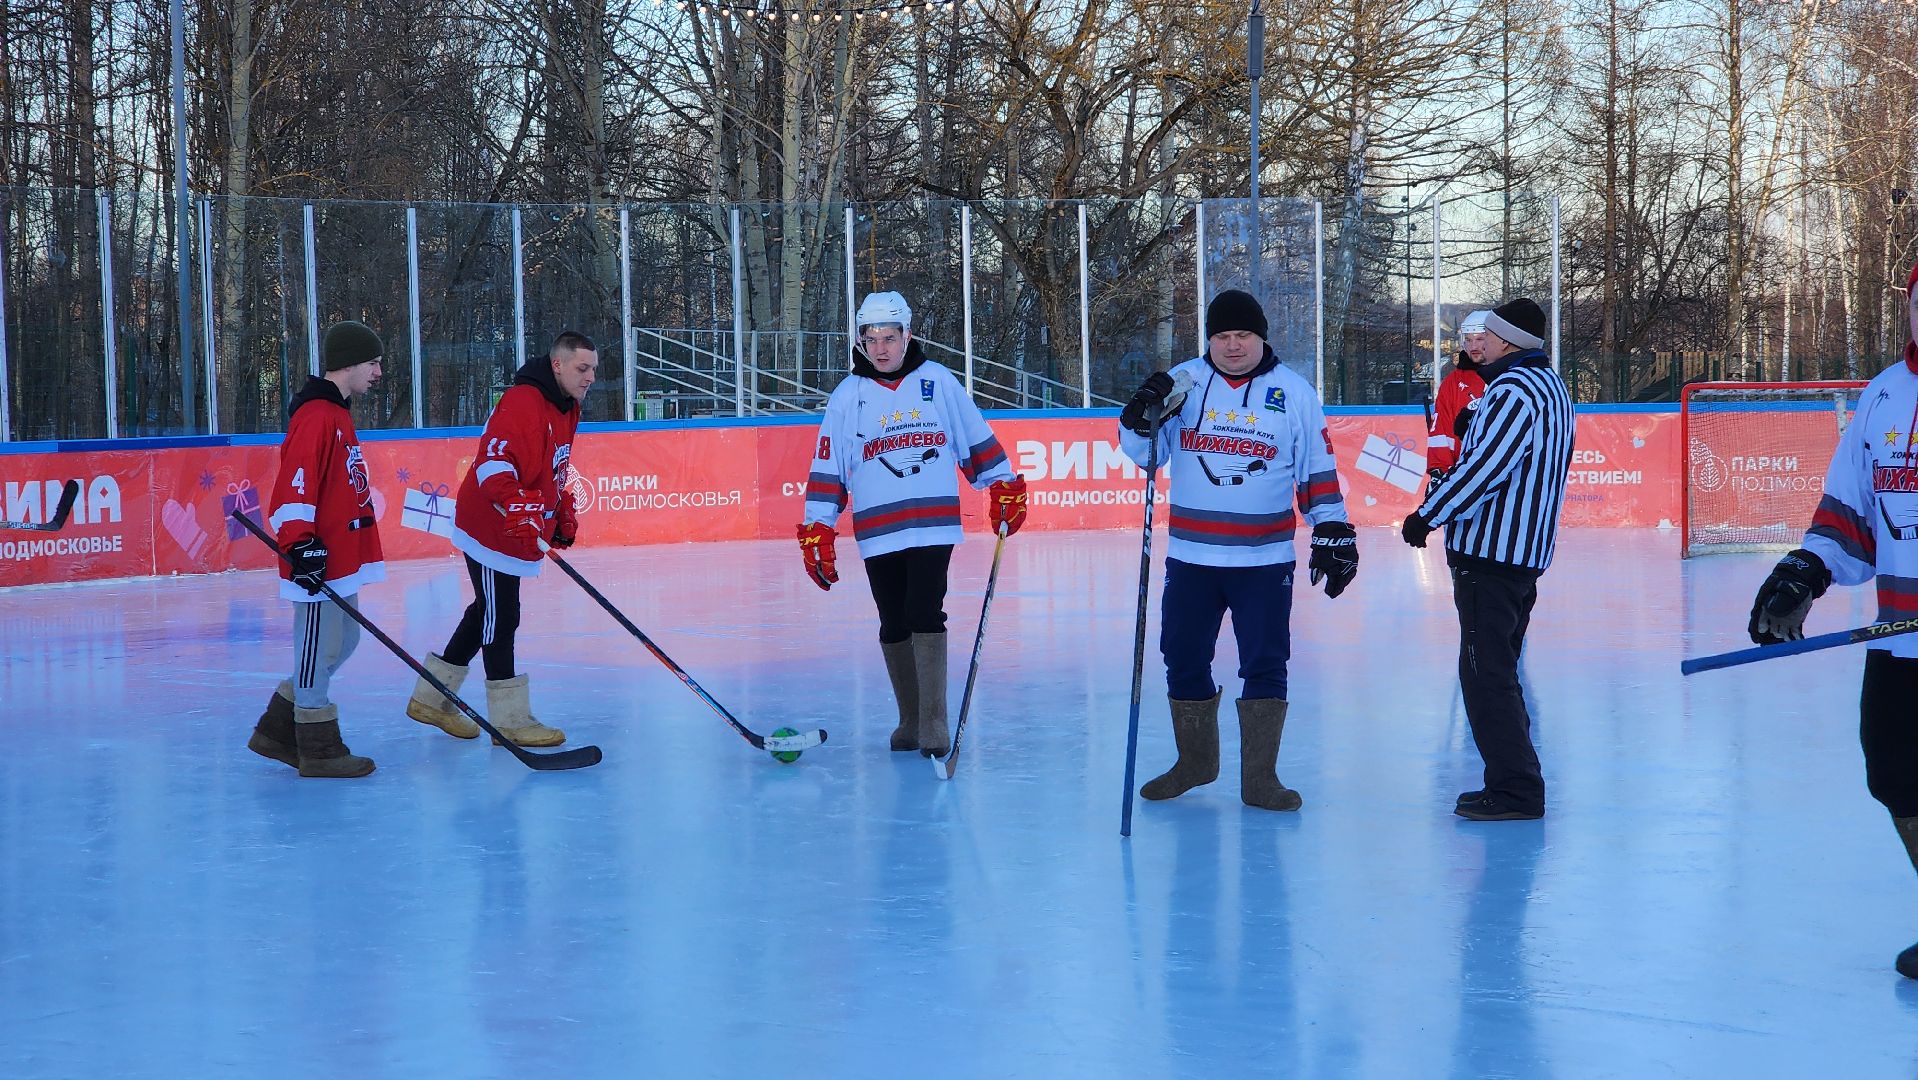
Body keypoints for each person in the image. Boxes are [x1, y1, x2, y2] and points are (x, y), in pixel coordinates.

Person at [1117, 288, 1356, 812]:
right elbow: (1143, 455)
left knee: (1266, 662)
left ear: (1260, 336)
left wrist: (1332, 528)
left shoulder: (1293, 393)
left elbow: (1316, 470)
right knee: (1180, 655)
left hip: (1264, 561)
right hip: (1193, 557)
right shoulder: (1184, 381)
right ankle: (1196, 761)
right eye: (1221, 336)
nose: (1231, 346)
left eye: (1241, 335)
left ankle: (1260, 779)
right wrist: (1137, 415)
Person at [1748, 261, 1918, 978]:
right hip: (1901, 640)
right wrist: (1805, 573)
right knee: (1896, 779)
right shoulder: (1884, 396)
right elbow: (1849, 513)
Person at [797, 291, 1027, 757]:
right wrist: (818, 525)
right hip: (878, 529)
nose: (881, 348)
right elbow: (829, 467)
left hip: (931, 525)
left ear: (908, 335)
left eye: (889, 337)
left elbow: (974, 439)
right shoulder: (848, 396)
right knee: (891, 621)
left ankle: (934, 723)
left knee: (925, 610)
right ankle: (910, 719)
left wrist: (1002, 483)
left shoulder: (938, 382)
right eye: (871, 339)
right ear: (860, 342)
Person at [1401, 298, 1574, 821]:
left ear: (1508, 341)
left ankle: (1517, 789)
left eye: (1489, 335)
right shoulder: (1550, 386)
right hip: (1521, 556)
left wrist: (1427, 515)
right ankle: (1513, 781)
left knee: (1486, 674)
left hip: (1491, 557)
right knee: (1498, 670)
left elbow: (1483, 471)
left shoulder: (1513, 390)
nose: (1479, 343)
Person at [403, 331, 597, 747]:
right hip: (490, 525)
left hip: (515, 527)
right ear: (558, 364)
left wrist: (557, 506)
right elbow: (492, 462)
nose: (591, 377)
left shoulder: (567, 407)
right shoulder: (523, 401)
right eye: (583, 368)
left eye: (594, 369)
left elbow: (550, 465)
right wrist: (516, 504)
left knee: (484, 613)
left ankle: (431, 699)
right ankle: (508, 719)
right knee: (500, 615)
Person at [249, 321, 387, 778]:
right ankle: (318, 748)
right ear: (347, 363)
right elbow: (294, 488)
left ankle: (275, 730)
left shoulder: (339, 414)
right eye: (372, 362)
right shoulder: (316, 416)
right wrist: (301, 545)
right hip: (316, 557)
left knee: (343, 640)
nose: (378, 371)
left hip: (341, 555)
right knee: (315, 645)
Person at [1428, 309, 1491, 483]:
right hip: (1463, 478)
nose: (1473, 346)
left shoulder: (1510, 377)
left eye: (1479, 339)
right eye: (1468, 340)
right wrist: (1439, 472)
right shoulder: (1453, 382)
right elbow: (1441, 431)